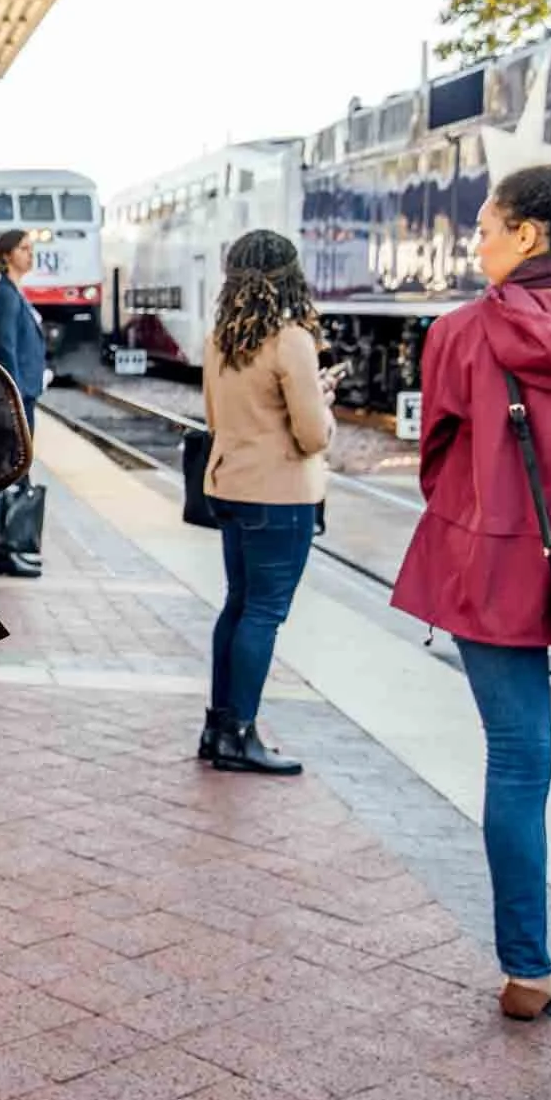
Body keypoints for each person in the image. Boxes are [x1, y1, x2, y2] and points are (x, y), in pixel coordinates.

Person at [394, 143, 551, 1022]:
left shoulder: (458, 335)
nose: (476, 243)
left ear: (528, 232)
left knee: (518, 762)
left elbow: (437, 464)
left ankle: (527, 970)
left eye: (486, 228)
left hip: (490, 570)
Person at [197, 231, 334, 777]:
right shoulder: (290, 341)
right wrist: (322, 405)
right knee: (264, 613)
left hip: (230, 487)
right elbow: (312, 437)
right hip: (280, 497)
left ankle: (217, 727)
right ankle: (242, 734)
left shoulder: (220, 340)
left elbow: (213, 418)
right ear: (288, 276)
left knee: (237, 605)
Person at [0, 228, 46, 430]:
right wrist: (14, 394)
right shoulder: (5, 295)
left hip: (25, 392)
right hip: (18, 395)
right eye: (23, 248)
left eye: (31, 249)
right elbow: (5, 347)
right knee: (18, 457)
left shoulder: (14, 292)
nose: (30, 254)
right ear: (7, 255)